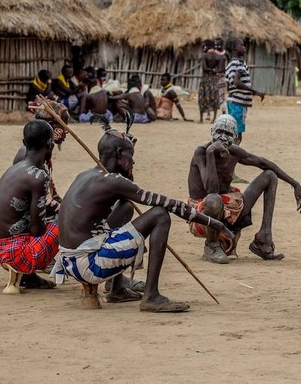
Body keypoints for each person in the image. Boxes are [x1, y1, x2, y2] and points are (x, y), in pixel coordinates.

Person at [53, 122, 233, 312]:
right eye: (131, 155)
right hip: (89, 265)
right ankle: (151, 295)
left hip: (69, 262)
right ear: (120, 153)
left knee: (125, 209)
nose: (134, 161)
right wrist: (215, 224)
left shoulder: (87, 175)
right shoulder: (112, 182)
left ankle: (117, 288)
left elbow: (126, 195)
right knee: (160, 215)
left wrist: (127, 164)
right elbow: (169, 205)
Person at [187, 114, 301, 264]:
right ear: (212, 131)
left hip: (226, 210)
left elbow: (264, 163)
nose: (222, 137)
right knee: (213, 199)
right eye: (219, 132)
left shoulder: (234, 152)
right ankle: (211, 245)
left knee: (269, 176)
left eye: (228, 134)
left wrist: (295, 183)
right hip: (202, 216)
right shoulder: (202, 152)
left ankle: (264, 238)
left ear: (235, 137)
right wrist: (211, 153)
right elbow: (211, 190)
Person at [0, 121, 61, 288]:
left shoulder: (15, 169)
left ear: (25, 143)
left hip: (0, 250)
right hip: (16, 255)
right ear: (50, 143)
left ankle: (28, 277)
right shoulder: (37, 176)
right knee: (67, 220)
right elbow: (37, 230)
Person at [225, 37, 264, 145]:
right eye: (241, 45)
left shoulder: (229, 65)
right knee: (237, 136)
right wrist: (254, 91)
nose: (244, 47)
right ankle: (229, 159)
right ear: (234, 48)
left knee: (232, 133)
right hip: (238, 104)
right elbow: (236, 82)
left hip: (232, 102)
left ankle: (227, 156)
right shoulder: (238, 64)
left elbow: (228, 86)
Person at [198, 40, 226, 123]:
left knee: (202, 97)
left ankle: (201, 119)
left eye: (204, 46)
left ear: (207, 46)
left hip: (205, 79)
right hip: (214, 79)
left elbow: (204, 68)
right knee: (214, 98)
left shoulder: (205, 56)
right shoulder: (219, 56)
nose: (203, 48)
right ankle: (214, 119)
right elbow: (221, 69)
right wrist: (214, 70)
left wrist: (209, 70)